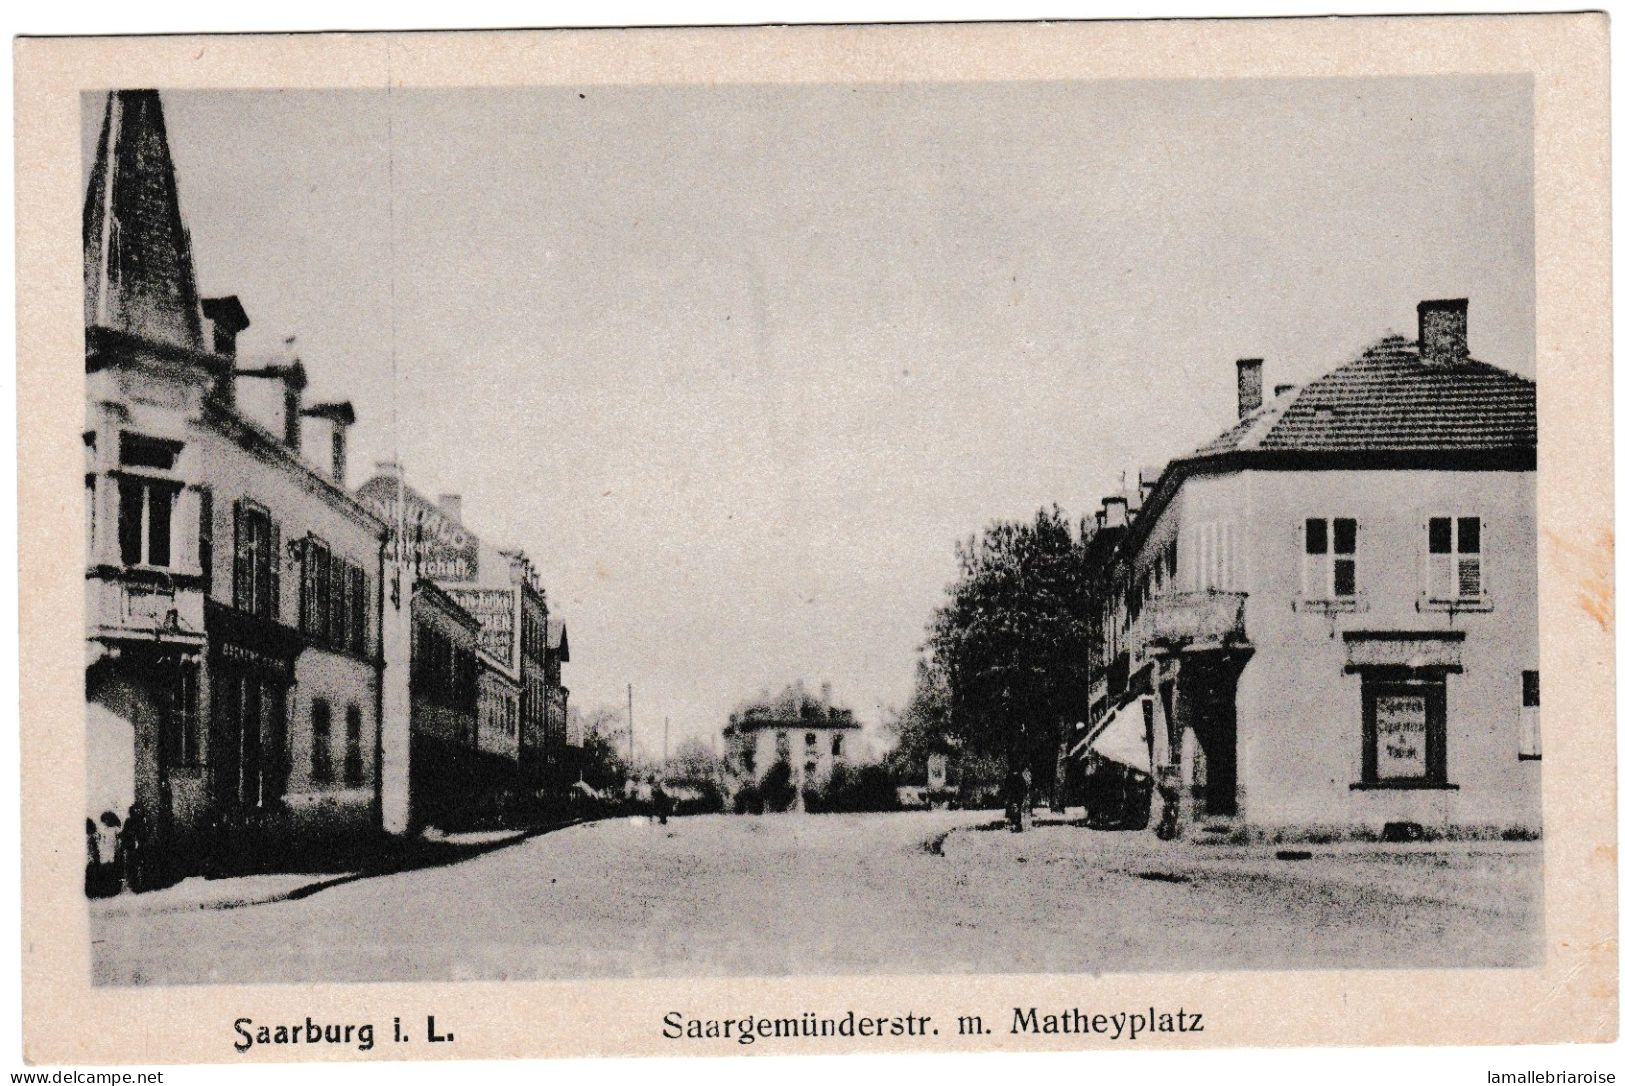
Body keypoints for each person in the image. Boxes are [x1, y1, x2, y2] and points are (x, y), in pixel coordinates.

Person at [1003, 767, 1028, 833]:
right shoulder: (1020, 777)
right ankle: (1017, 825)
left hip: (1013, 796)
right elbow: (1024, 788)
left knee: (1012, 810)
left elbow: (1006, 787)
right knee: (1017, 810)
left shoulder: (1009, 777)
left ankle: (1013, 825)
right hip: (1018, 796)